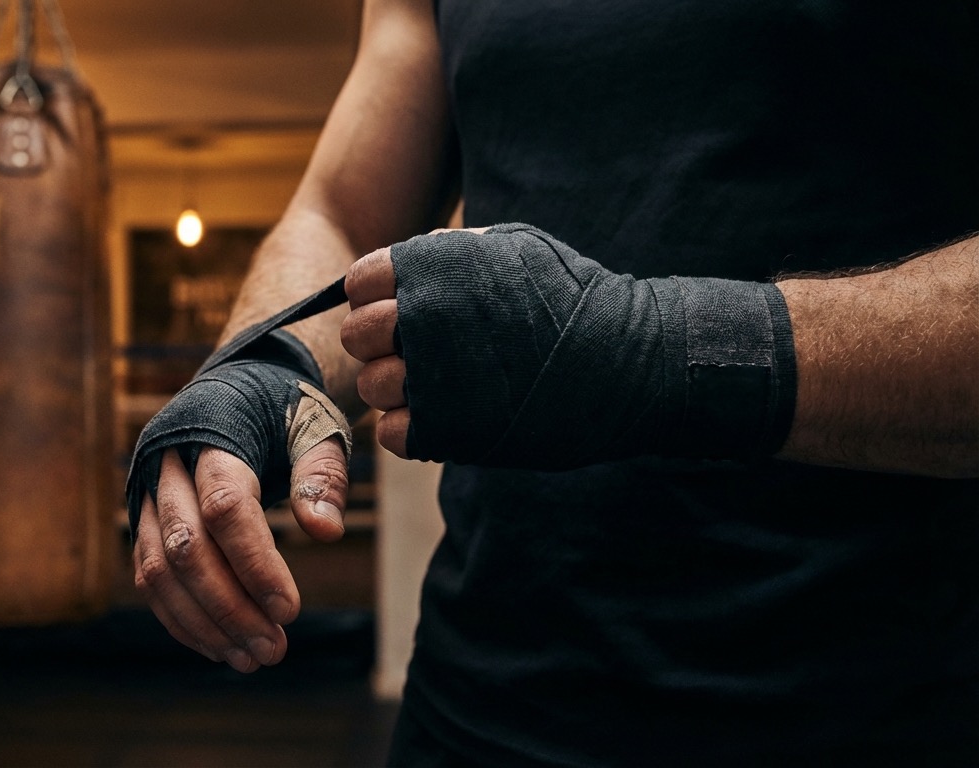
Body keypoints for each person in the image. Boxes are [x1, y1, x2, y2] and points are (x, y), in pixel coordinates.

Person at [126, 0, 979, 764]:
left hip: (880, 708)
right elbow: (342, 212)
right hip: (479, 706)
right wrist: (259, 365)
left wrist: (654, 347)